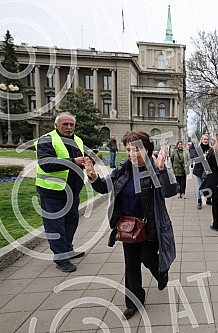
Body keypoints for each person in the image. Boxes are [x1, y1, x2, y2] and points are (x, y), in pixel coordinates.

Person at [84, 131, 177, 320]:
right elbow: (105, 186)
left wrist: (161, 169)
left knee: (147, 257)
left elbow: (170, 191)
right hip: (128, 225)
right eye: (128, 149)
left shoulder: (155, 167)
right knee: (131, 265)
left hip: (151, 225)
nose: (132, 154)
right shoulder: (124, 168)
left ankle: (161, 272)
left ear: (148, 149)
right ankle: (134, 302)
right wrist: (93, 177)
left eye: (137, 149)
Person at [35, 112, 87, 273]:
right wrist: (73, 162)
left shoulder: (77, 139)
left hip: (73, 191)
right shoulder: (47, 139)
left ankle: (68, 249)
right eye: (65, 124)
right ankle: (61, 258)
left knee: (71, 222)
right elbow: (45, 163)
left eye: (71, 124)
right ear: (56, 125)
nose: (69, 127)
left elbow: (81, 157)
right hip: (52, 192)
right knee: (55, 226)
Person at [190, 134, 211, 209]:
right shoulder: (198, 148)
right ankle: (199, 202)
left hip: (208, 171)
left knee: (208, 185)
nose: (206, 141)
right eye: (204, 139)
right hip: (199, 170)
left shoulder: (211, 149)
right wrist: (203, 156)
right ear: (201, 140)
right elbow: (195, 159)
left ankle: (208, 199)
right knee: (200, 187)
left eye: (207, 139)